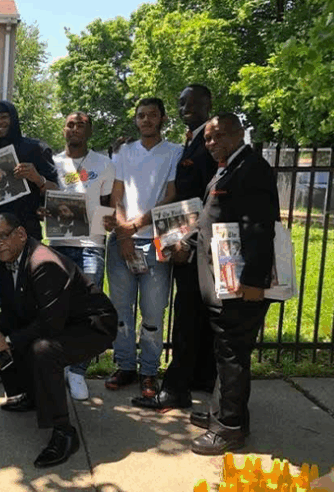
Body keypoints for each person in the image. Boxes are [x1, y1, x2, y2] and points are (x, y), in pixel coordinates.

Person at [169, 113, 280, 455]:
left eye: (217, 137)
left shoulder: (252, 169)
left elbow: (261, 227)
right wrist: (186, 243)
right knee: (226, 350)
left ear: (237, 134)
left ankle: (230, 429)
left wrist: (254, 281)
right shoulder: (227, 168)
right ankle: (224, 413)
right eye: (207, 139)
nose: (211, 143)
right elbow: (209, 217)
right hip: (222, 281)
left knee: (232, 353)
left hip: (241, 284)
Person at [0, 213, 117, 468]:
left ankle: (64, 432)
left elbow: (49, 325)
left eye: (3, 236)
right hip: (61, 317)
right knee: (10, 332)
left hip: (92, 325)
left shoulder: (43, 263)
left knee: (43, 349)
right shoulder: (5, 261)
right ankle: (33, 396)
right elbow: (14, 309)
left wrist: (7, 340)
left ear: (21, 234)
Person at [132, 85, 218, 411]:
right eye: (182, 102)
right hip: (183, 236)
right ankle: (199, 376)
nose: (187, 107)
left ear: (207, 104)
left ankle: (176, 389)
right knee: (194, 313)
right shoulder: (191, 141)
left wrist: (186, 241)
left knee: (186, 314)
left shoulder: (209, 142)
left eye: (193, 102)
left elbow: (207, 199)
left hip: (195, 244)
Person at [0, 100, 58, 389]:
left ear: (14, 119)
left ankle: (26, 360)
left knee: (27, 302)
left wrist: (36, 177)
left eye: (4, 117)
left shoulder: (34, 148)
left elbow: (56, 191)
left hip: (25, 239)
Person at [103, 98, 182, 399]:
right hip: (122, 243)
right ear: (135, 120)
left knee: (152, 312)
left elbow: (171, 197)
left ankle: (149, 370)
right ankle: (125, 366)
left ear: (162, 118)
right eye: (140, 116)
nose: (146, 120)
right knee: (122, 311)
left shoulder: (174, 152)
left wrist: (134, 227)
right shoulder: (124, 152)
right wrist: (123, 235)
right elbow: (116, 196)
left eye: (152, 115)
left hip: (156, 241)